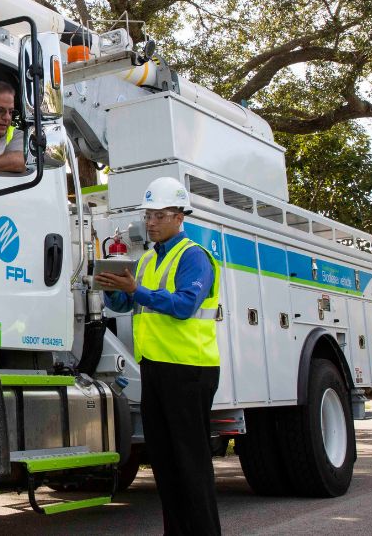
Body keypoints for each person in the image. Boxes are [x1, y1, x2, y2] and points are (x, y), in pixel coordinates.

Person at [94, 176, 222, 536]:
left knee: (191, 464)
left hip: (190, 371)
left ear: (179, 217)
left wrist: (138, 290)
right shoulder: (148, 259)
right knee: (165, 465)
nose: (150, 222)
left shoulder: (195, 257)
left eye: (159, 215)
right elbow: (132, 302)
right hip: (156, 370)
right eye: (148, 214)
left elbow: (184, 306)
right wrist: (113, 290)